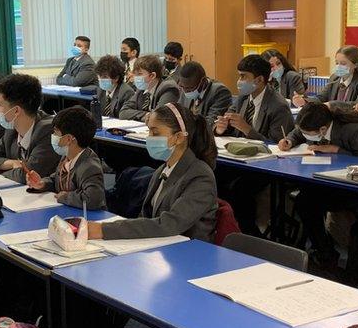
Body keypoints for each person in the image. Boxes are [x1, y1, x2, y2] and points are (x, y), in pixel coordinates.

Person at [87, 103, 217, 242]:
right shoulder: (162, 170)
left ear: (178, 137)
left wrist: (104, 230)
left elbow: (170, 224)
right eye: (149, 131)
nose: (149, 137)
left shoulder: (200, 176)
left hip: (189, 252)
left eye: (155, 133)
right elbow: (146, 216)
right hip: (160, 246)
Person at [280, 103, 358, 268]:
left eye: (309, 133)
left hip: (349, 187)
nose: (306, 135)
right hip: (322, 181)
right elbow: (297, 133)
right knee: (304, 201)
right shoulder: (310, 126)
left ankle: (326, 253)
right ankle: (325, 252)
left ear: (323, 129)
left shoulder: (351, 129)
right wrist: (288, 140)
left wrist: (337, 149)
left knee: (308, 201)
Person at [0, 73, 59, 184]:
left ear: (16, 111)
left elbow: (27, 176)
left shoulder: (48, 131)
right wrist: (11, 163)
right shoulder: (11, 130)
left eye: (1, 104)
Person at [27, 106, 106, 210]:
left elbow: (93, 199)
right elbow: (57, 179)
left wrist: (65, 197)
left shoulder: (89, 166)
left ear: (69, 139)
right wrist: (43, 183)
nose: (53, 135)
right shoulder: (66, 156)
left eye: (55, 132)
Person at [215, 54, 293, 142]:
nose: (239, 81)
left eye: (243, 76)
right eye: (239, 76)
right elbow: (228, 126)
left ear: (259, 79)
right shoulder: (243, 97)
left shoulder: (279, 106)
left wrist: (247, 130)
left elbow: (276, 144)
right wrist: (220, 129)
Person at [294, 45, 358, 107]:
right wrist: (304, 101)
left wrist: (333, 104)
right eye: (336, 63)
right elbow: (321, 98)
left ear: (355, 65)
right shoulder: (334, 78)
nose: (339, 67)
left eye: (343, 63)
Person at [119, 55, 181, 122]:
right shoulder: (142, 89)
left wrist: (148, 116)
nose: (135, 77)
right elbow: (123, 112)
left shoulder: (168, 88)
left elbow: (159, 117)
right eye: (135, 74)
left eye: (139, 74)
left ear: (152, 75)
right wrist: (147, 115)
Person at [175, 61, 232, 129]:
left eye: (189, 88)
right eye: (182, 86)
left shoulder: (220, 92)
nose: (185, 91)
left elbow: (210, 123)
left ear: (203, 81)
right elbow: (176, 115)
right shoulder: (184, 88)